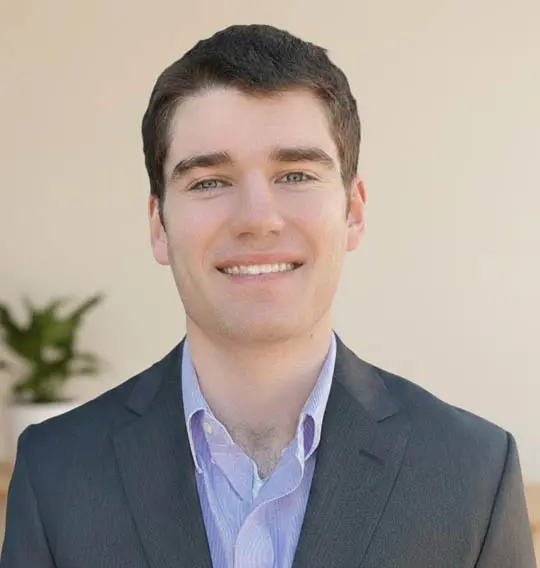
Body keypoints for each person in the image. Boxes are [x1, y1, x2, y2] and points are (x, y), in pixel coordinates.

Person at [1, 24, 536, 568]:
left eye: (296, 175)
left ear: (353, 212)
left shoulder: (474, 476)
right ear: (159, 225)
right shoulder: (55, 473)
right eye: (209, 181)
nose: (257, 219)